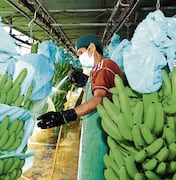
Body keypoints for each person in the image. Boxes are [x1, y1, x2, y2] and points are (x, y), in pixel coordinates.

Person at [36, 34, 123, 180]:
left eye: (81, 52)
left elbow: (99, 98)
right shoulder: (97, 69)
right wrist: (84, 82)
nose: (79, 57)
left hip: (102, 130)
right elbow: (94, 90)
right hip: (94, 128)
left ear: (92, 48)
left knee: (97, 171)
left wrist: (66, 115)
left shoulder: (105, 66)